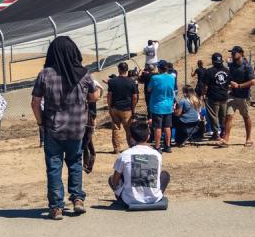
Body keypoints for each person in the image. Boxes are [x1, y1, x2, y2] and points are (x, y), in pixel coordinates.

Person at [31, 36, 100, 220]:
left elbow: (35, 102)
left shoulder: (45, 74)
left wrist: (40, 122)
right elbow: (94, 96)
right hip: (77, 127)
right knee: (75, 162)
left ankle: (56, 207)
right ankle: (77, 199)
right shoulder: (83, 74)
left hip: (53, 127)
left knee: (54, 166)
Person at [109, 122, 170, 207]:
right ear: (148, 136)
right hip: (153, 198)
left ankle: (124, 196)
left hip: (129, 199)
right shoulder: (157, 155)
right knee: (165, 175)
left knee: (112, 178)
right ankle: (154, 194)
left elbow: (115, 180)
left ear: (132, 137)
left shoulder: (124, 155)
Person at [221, 46, 254, 147]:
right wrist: (229, 83)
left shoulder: (247, 66)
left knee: (246, 117)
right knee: (228, 116)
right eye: (232, 53)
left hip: (244, 96)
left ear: (241, 53)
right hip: (233, 95)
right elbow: (229, 77)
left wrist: (239, 86)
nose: (232, 54)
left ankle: (248, 139)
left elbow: (253, 82)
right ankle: (226, 140)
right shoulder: (232, 66)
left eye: (234, 53)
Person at [107, 62, 138, 153]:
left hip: (115, 107)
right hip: (127, 108)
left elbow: (109, 95)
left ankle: (116, 148)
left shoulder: (112, 81)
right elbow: (135, 96)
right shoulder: (131, 81)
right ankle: (131, 146)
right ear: (127, 70)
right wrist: (133, 107)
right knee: (128, 128)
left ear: (119, 69)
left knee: (116, 128)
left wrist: (109, 106)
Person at [147, 61, 176, 153]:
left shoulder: (155, 78)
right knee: (167, 127)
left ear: (159, 68)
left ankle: (157, 146)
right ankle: (168, 146)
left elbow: (149, 89)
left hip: (157, 106)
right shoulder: (172, 77)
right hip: (168, 106)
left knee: (158, 127)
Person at [204, 53, 230, 141]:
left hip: (213, 96)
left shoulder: (209, 71)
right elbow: (229, 84)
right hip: (224, 96)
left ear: (213, 61)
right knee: (223, 116)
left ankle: (216, 134)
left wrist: (204, 94)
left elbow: (206, 86)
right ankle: (223, 132)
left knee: (213, 116)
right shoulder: (227, 70)